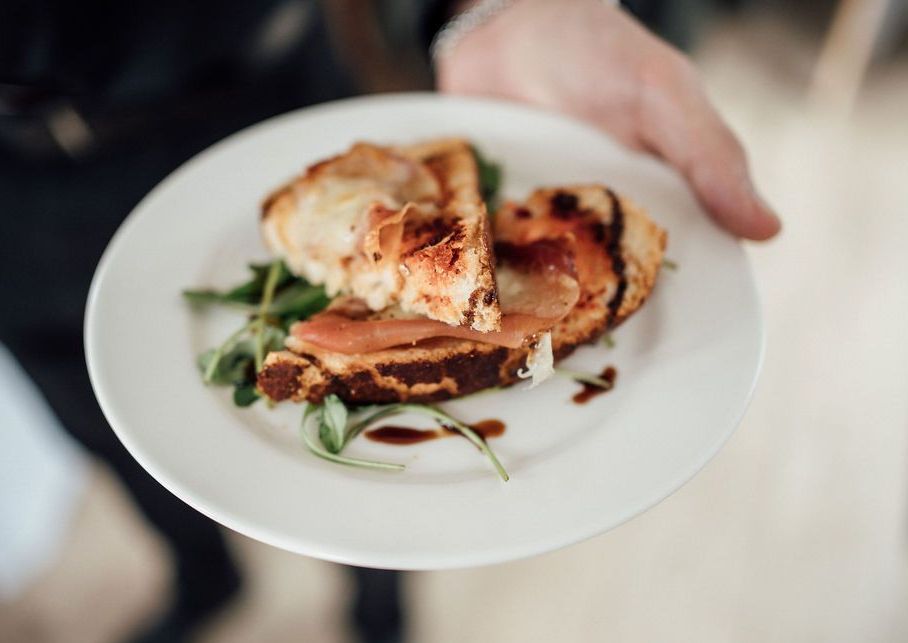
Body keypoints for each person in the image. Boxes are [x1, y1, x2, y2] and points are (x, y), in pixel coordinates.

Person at [0, 1, 778, 642]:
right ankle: (203, 577)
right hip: (12, 212)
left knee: (372, 501)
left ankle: (380, 615)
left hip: (253, 83)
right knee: (103, 427)